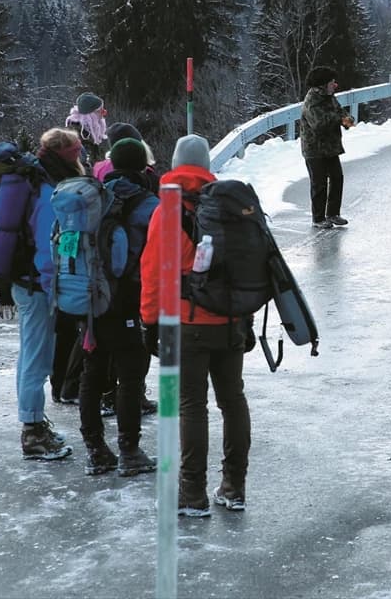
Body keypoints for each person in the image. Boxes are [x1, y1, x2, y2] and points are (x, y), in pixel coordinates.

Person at [139, 134, 252, 517]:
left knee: (191, 405)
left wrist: (149, 321)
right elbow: (248, 267)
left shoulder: (167, 209)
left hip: (187, 322)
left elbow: (153, 272)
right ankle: (234, 487)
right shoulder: (233, 205)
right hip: (231, 319)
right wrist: (246, 318)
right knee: (233, 400)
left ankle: (191, 493)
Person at [78, 136, 158, 478]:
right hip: (129, 300)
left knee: (93, 372)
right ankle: (129, 450)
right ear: (142, 166)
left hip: (90, 299)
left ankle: (96, 450)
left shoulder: (91, 198)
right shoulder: (148, 204)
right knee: (129, 376)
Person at [9, 128, 79, 461]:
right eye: (77, 152)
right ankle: (32, 432)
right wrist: (55, 285)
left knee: (31, 354)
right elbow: (48, 245)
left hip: (26, 281)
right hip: (37, 284)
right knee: (36, 358)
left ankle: (34, 422)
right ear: (63, 154)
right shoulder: (49, 190)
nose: (81, 157)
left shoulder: (36, 181)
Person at [300, 67, 354, 229]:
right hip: (314, 150)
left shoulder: (329, 97)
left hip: (330, 148)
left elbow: (340, 112)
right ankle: (318, 218)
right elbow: (319, 124)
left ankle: (333, 214)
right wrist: (338, 118)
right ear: (323, 84)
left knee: (337, 178)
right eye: (332, 82)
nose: (335, 85)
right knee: (319, 184)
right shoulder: (312, 101)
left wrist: (347, 119)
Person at [65, 92, 109, 171]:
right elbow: (83, 168)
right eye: (100, 111)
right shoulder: (80, 137)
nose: (103, 114)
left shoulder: (88, 134)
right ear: (90, 115)